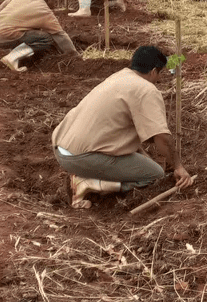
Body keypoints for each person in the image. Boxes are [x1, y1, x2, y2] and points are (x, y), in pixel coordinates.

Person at [51, 45, 194, 208]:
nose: (159, 79)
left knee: (144, 164)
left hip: (61, 149)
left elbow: (124, 133)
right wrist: (178, 166)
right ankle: (87, 183)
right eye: (160, 73)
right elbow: (161, 136)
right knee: (154, 175)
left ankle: (86, 175)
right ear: (154, 71)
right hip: (81, 157)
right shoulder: (146, 90)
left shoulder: (120, 77)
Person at [0, 0, 77, 73]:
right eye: (55, 1)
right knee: (46, 38)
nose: (56, 5)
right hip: (0, 37)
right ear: (49, 0)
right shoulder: (45, 11)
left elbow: (0, 8)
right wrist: (74, 54)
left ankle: (17, 55)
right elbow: (60, 35)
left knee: (21, 30)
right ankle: (11, 58)